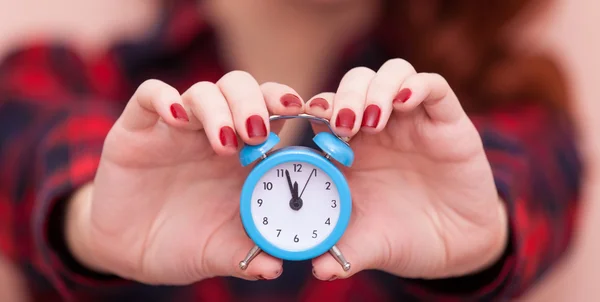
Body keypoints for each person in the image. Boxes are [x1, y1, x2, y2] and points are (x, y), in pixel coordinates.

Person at [0, 0, 582, 301]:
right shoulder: (58, 78)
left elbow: (528, 174)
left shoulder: (496, 99)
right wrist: (87, 222)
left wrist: (487, 232)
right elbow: (34, 147)